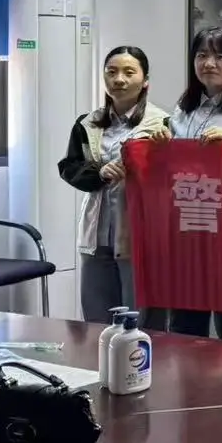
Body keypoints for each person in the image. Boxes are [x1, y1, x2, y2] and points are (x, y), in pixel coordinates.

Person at [138, 25, 222, 343]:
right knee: (184, 324)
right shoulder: (184, 108)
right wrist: (161, 143)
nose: (209, 63)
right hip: (188, 229)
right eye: (201, 56)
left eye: (220, 56)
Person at [58, 45, 168, 323]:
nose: (119, 79)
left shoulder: (163, 124)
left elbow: (173, 180)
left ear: (145, 80)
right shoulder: (88, 123)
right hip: (97, 236)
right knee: (97, 321)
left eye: (129, 72)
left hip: (140, 237)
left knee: (141, 323)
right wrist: (100, 172)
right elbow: (69, 166)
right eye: (112, 72)